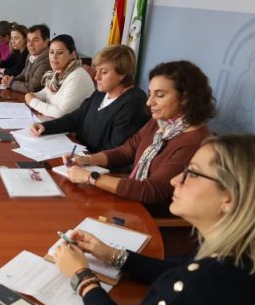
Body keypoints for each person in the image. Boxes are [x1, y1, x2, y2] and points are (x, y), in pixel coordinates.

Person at [50, 134, 255, 305]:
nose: (175, 180)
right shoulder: (237, 251)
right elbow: (175, 269)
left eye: (192, 173)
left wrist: (82, 277)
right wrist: (112, 255)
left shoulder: (205, 282)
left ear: (229, 198)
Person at [64, 60, 215, 213]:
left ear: (185, 98)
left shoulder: (194, 141)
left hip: (150, 214)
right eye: (150, 94)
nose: (149, 102)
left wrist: (90, 177)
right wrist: (86, 159)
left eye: (160, 95)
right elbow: (126, 151)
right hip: (131, 199)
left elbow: (152, 190)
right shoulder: (161, 122)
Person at [30, 45, 149, 153]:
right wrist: (45, 127)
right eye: (97, 71)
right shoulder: (101, 93)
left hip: (97, 164)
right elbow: (75, 118)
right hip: (79, 154)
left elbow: (116, 151)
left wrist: (86, 159)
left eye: (104, 72)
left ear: (122, 74)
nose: (96, 77)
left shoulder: (134, 103)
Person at [24, 34, 94, 119]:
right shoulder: (58, 72)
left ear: (72, 54)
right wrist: (32, 96)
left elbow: (61, 113)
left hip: (72, 126)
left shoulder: (77, 76)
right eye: (51, 52)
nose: (54, 57)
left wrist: (32, 101)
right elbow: (45, 94)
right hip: (54, 122)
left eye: (60, 53)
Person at [2, 24, 51, 93]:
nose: (30, 44)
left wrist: (11, 83)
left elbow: (32, 88)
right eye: (28, 40)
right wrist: (10, 79)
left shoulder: (47, 59)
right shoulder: (30, 55)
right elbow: (23, 75)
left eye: (35, 40)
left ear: (46, 41)